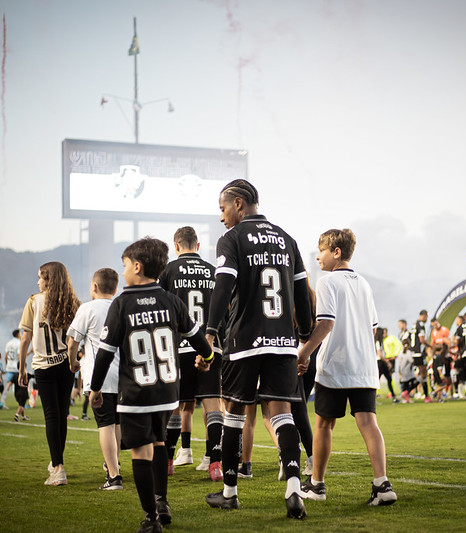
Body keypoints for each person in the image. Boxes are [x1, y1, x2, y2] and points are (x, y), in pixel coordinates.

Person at [203, 179, 313, 520]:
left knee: (234, 414)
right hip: (282, 342)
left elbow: (222, 287)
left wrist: (210, 331)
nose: (221, 217)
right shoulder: (286, 238)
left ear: (238, 203)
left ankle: (230, 493)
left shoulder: (232, 239)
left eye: (222, 209)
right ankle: (294, 486)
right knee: (282, 414)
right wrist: (305, 333)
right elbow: (301, 291)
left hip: (244, 341)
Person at [89, 237, 214, 533]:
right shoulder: (171, 300)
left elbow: (105, 354)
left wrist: (95, 389)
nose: (123, 273)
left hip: (135, 393)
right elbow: (197, 338)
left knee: (140, 452)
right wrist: (207, 357)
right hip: (167, 391)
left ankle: (150, 518)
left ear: (137, 266)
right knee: (159, 444)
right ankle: (162, 502)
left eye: (124, 266)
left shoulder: (122, 303)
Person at [297, 229, 397, 507]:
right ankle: (382, 484)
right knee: (368, 423)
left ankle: (316, 485)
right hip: (365, 365)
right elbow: (373, 328)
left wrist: (303, 353)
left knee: (324, 424)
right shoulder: (364, 284)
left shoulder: (327, 281)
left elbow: (326, 323)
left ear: (336, 252)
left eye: (322, 251)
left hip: (336, 366)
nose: (318, 256)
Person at [158, 226, 224, 481]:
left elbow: (162, 308)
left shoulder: (169, 270)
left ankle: (168, 461)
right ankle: (215, 463)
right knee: (212, 404)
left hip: (179, 346)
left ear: (176, 246)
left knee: (176, 405)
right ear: (197, 246)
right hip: (210, 344)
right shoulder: (212, 270)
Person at [18, 261, 81, 486]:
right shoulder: (74, 302)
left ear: (49, 279)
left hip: (43, 366)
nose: (37, 281)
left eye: (40, 277)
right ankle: (57, 462)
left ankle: (58, 467)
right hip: (66, 364)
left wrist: (21, 367)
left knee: (51, 416)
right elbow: (76, 338)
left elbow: (25, 338)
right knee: (61, 414)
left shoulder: (34, 301)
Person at [66, 267, 124, 490]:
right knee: (117, 424)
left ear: (94, 286)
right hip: (123, 377)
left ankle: (114, 476)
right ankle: (114, 464)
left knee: (105, 425)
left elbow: (73, 342)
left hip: (99, 377)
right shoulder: (122, 307)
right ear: (116, 288)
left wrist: (73, 362)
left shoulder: (87, 309)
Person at [409, 310, 431, 402]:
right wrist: (431, 346)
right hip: (419, 353)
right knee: (424, 374)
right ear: (424, 315)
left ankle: (409, 391)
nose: (427, 319)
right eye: (427, 317)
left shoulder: (414, 324)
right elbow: (422, 340)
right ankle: (426, 397)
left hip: (413, 352)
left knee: (421, 374)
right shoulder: (421, 325)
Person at [0, 329, 21, 410]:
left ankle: (2, 401)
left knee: (8, 385)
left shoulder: (8, 343)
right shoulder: (19, 343)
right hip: (16, 367)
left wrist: (8, 365)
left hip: (10, 367)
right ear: (18, 334)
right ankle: (21, 403)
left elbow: (5, 356)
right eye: (20, 333)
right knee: (20, 385)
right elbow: (19, 356)